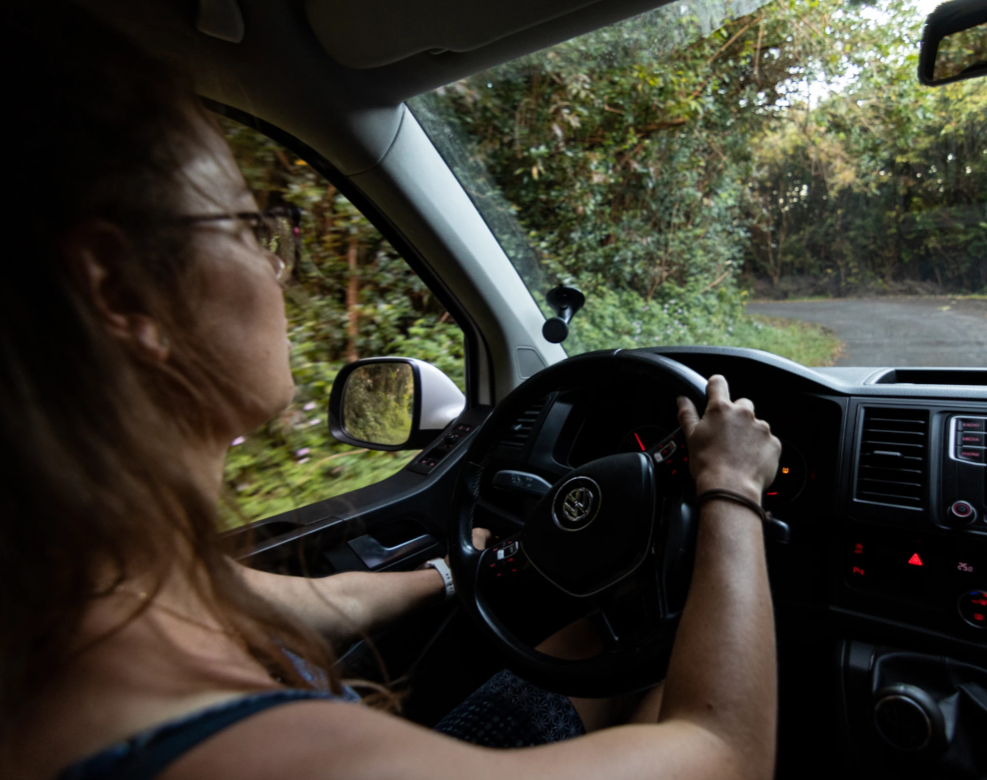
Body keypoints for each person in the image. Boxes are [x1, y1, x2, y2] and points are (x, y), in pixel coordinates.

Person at [1, 4, 782, 779]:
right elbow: (725, 751)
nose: (279, 267)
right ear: (121, 290)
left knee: (587, 640)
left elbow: (320, 603)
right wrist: (731, 490)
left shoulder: (103, 577)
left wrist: (456, 571)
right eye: (249, 228)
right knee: (648, 673)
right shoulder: (253, 755)